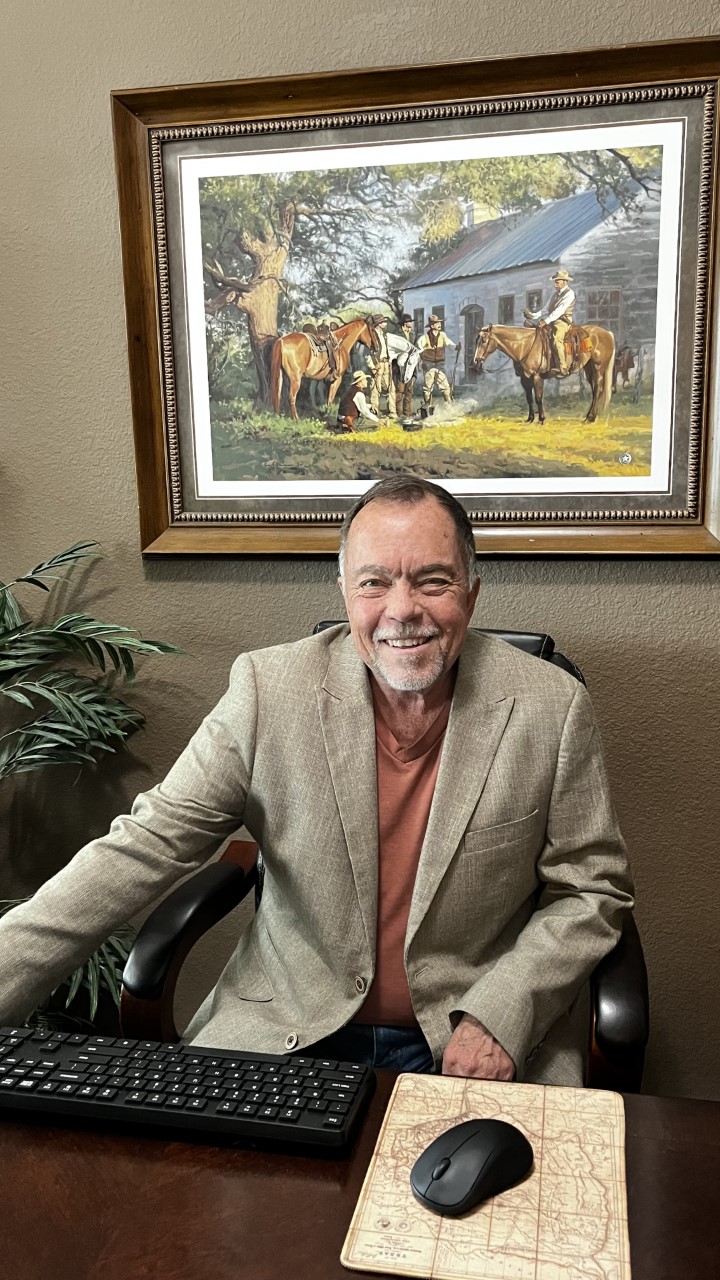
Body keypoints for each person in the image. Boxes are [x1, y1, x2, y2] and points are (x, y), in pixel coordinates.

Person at [0, 477, 632, 1083]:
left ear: (471, 590)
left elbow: (590, 891)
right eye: (374, 583)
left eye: (432, 581)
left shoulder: (551, 706)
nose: (402, 610)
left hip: (467, 1038)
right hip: (286, 1029)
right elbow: (146, 845)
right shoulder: (267, 692)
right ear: (344, 593)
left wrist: (503, 1013)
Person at [524, 269, 577, 375]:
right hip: (553, 320)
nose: (555, 284)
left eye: (557, 282)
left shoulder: (569, 294)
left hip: (563, 321)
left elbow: (559, 311)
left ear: (564, 282)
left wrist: (546, 321)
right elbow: (545, 309)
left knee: (557, 339)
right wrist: (533, 315)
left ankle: (563, 366)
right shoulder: (555, 294)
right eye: (555, 282)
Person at [418, 315, 460, 407]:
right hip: (428, 365)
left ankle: (449, 405)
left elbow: (449, 343)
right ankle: (427, 406)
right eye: (437, 323)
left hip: (439, 365)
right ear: (432, 326)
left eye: (440, 323)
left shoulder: (443, 335)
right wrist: (423, 362)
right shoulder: (424, 337)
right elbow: (419, 350)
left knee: (445, 386)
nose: (439, 324)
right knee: (428, 388)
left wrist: (456, 347)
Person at [366, 314, 396, 417]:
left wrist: (390, 360)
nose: (385, 323)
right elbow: (367, 353)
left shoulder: (384, 335)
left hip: (386, 364)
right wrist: (372, 367)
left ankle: (392, 411)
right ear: (378, 324)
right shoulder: (371, 335)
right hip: (377, 365)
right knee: (375, 388)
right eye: (383, 322)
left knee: (391, 388)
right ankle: (374, 411)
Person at [392, 314, 418, 418]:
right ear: (404, 324)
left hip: (410, 366)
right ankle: (399, 413)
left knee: (409, 391)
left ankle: (407, 413)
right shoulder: (397, 335)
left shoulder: (413, 334)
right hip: (400, 367)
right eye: (409, 322)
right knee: (400, 391)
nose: (411, 323)